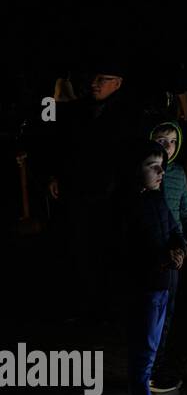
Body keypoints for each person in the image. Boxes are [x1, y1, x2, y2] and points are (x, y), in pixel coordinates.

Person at [44, 64, 146, 322]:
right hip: (80, 191)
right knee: (80, 249)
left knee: (107, 251)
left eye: (103, 79)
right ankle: (84, 306)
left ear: (118, 82)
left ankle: (107, 309)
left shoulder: (126, 114)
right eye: (95, 78)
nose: (95, 83)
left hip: (111, 195)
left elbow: (130, 155)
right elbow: (64, 143)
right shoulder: (81, 109)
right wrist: (56, 175)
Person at [118, 140, 187, 395]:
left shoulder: (156, 198)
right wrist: (160, 259)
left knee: (151, 350)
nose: (160, 171)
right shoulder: (124, 206)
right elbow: (122, 252)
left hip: (163, 286)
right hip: (144, 289)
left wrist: (178, 250)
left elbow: (173, 230)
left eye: (162, 165)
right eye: (152, 165)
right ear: (136, 169)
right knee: (142, 355)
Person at [146, 122, 187, 393]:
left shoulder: (178, 173)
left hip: (178, 248)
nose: (166, 145)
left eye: (171, 141)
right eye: (160, 140)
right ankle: (152, 369)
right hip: (156, 249)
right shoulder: (145, 172)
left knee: (174, 307)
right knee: (156, 311)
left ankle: (166, 358)